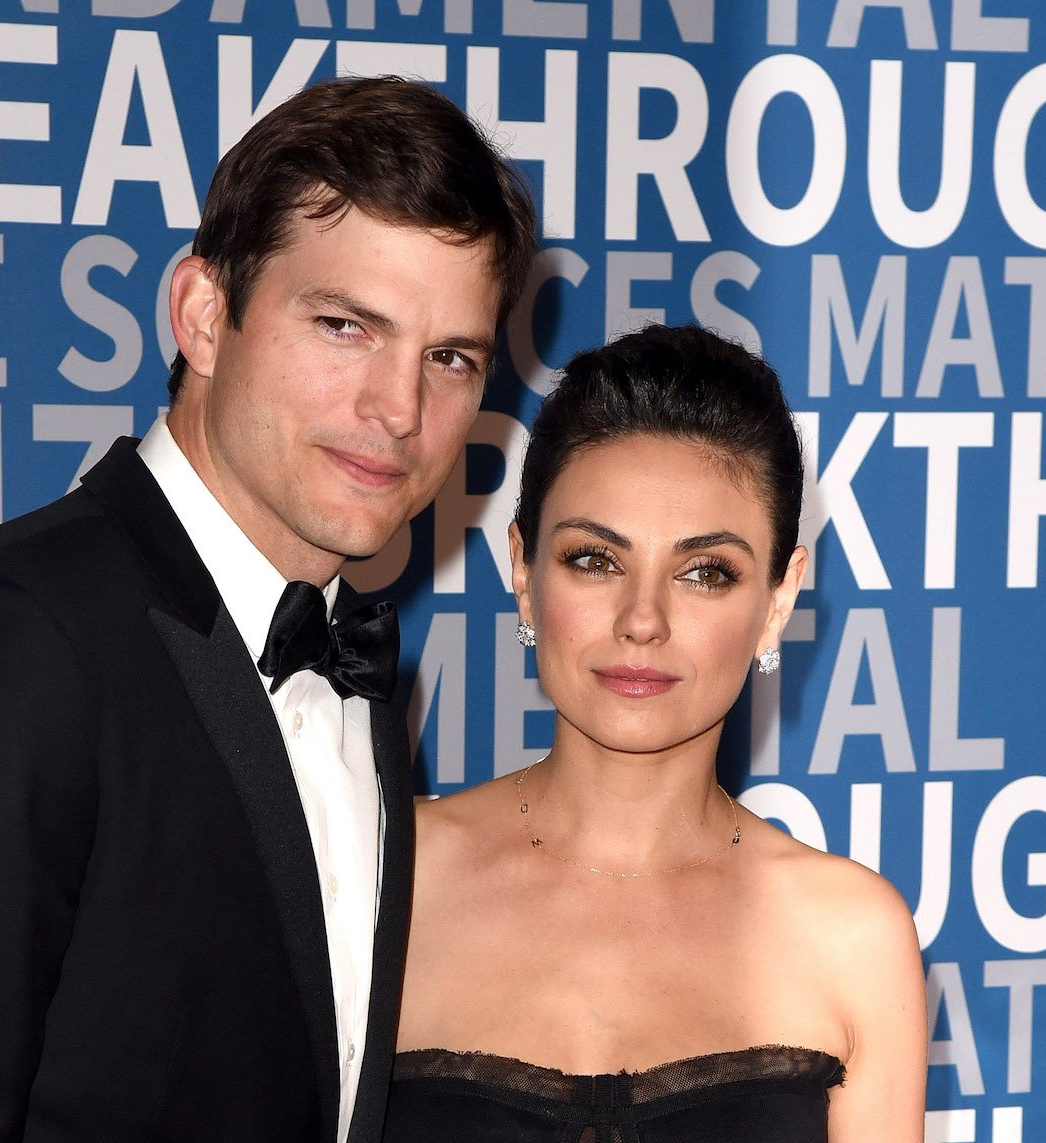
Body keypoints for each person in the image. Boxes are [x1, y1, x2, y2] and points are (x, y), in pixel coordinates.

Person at [0, 76, 537, 1143]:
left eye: (449, 358)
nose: (399, 410)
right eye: (343, 326)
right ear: (202, 315)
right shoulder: (3, 643)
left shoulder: (352, 672)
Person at [388, 325, 927, 1141]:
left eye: (706, 571)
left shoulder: (852, 936)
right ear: (523, 573)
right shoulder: (390, 877)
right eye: (595, 560)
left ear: (779, 598)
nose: (643, 620)